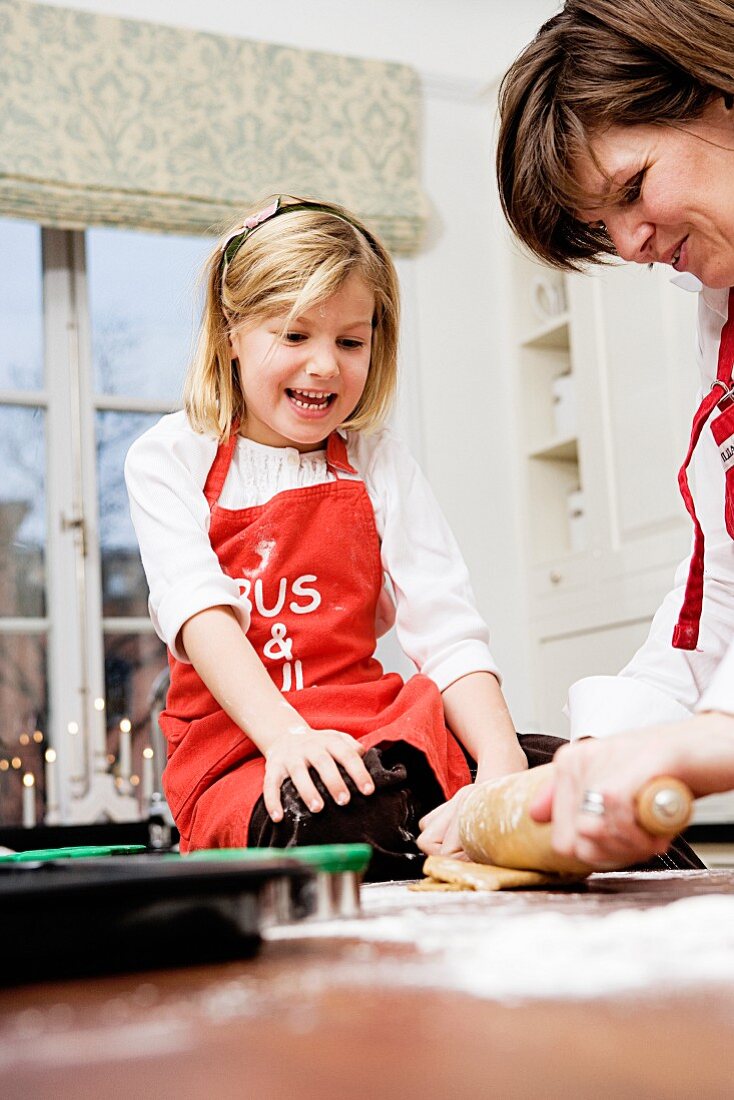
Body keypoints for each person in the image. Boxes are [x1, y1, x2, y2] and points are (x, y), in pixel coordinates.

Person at [125, 194, 531, 879]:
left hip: (377, 727)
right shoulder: (171, 457)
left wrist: (502, 766)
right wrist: (287, 735)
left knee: (573, 781)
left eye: (350, 341)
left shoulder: (377, 459)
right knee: (341, 816)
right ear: (231, 333)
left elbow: (447, 627)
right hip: (245, 754)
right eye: (294, 335)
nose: (324, 366)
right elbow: (201, 613)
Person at [495, 0, 734, 867]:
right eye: (604, 225)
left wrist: (695, 746)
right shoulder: (722, 320)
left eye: (631, 188)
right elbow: (719, 592)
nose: (630, 246)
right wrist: (599, 753)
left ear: (720, 88)